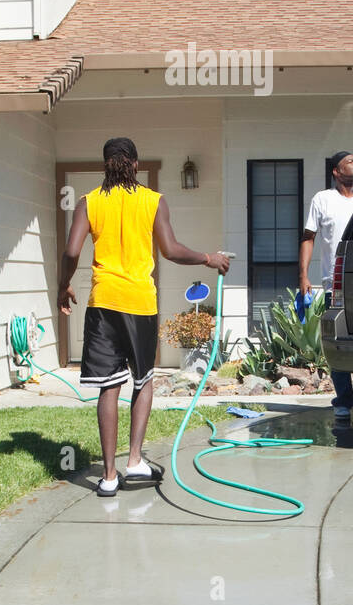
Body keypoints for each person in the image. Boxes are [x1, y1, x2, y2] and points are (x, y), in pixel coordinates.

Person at [59, 137, 230, 496]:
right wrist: (208, 258)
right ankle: (134, 461)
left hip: (104, 303)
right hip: (140, 304)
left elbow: (72, 250)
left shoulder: (88, 203)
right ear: (135, 164)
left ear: (105, 165)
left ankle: (107, 477)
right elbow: (170, 250)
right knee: (143, 380)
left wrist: (64, 285)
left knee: (109, 386)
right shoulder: (153, 201)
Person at [300, 151, 353, 421]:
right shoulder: (322, 199)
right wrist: (303, 276)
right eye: (350, 162)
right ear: (336, 172)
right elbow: (308, 237)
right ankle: (344, 399)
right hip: (335, 284)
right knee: (337, 342)